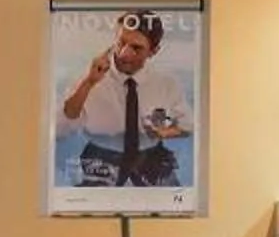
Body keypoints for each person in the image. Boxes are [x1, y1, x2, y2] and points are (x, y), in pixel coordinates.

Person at [59, 10, 192, 187]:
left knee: (176, 205)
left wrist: (164, 132)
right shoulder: (89, 76)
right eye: (120, 43)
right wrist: (89, 82)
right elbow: (65, 122)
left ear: (154, 51)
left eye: (136, 48)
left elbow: (188, 126)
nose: (124, 54)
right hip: (100, 161)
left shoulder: (166, 84)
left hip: (152, 160)